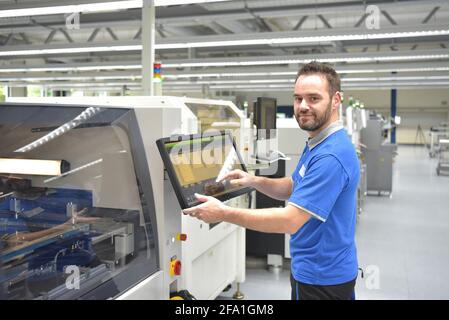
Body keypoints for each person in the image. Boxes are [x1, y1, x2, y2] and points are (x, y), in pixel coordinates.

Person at [183, 61, 360, 300]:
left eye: (313, 98)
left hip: (321, 278)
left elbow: (289, 221)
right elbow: (294, 186)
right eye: (298, 99)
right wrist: (253, 180)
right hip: (320, 267)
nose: (303, 106)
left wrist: (223, 213)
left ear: (336, 100)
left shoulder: (330, 155)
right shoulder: (318, 142)